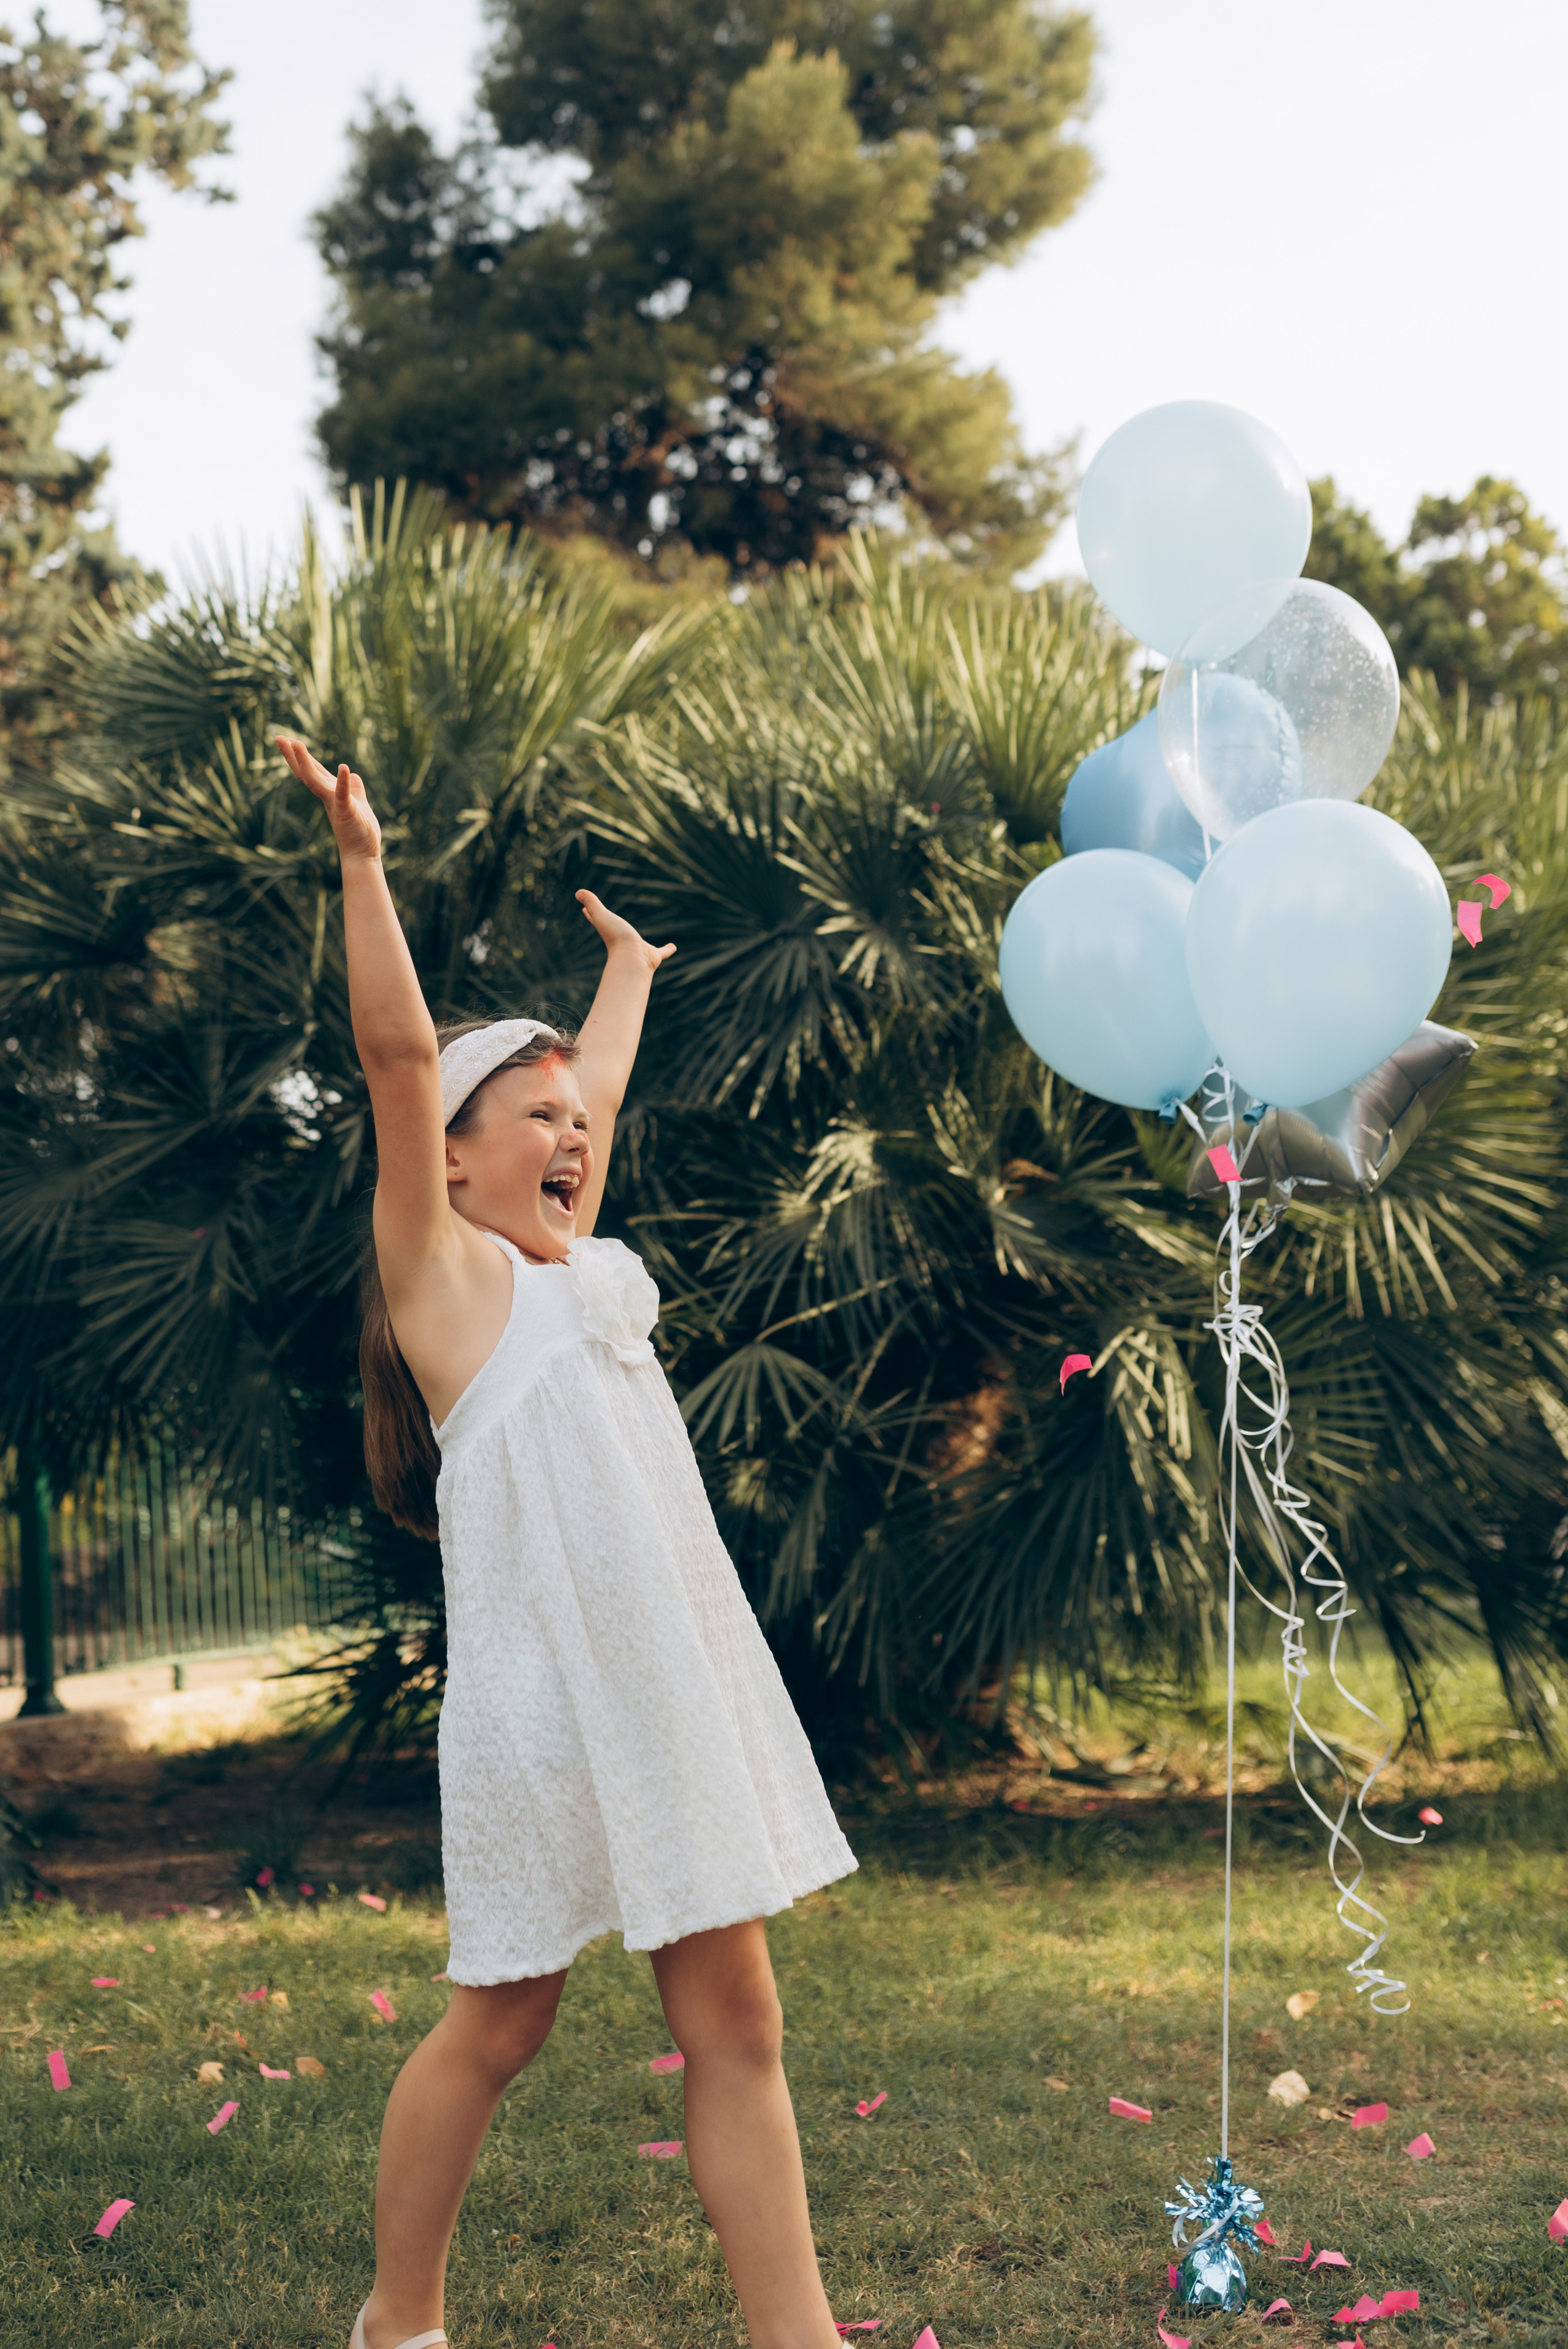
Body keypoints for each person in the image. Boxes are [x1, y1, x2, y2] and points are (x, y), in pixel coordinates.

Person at [275, 737, 858, 2349]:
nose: (573, 1132)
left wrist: (629, 979)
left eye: (578, 1119)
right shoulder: (448, 1282)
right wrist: (363, 865)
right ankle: (399, 2320)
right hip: (539, 1704)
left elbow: (596, 1089)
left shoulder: (577, 1267)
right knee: (503, 2020)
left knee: (739, 2019)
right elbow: (399, 1056)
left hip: (661, 1680)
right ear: (453, 1158)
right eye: (533, 1117)